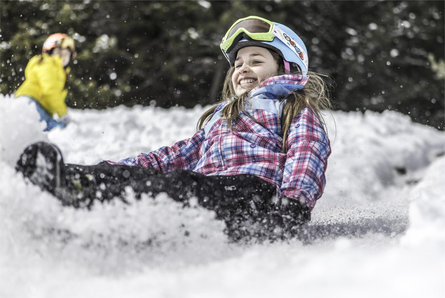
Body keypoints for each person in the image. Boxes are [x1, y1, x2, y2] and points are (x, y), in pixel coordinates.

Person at [16, 16, 332, 243]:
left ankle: (88, 204)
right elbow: (174, 156)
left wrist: (293, 204)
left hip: (257, 199)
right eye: (237, 64)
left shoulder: (290, 108)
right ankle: (70, 181)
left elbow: (307, 152)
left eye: (256, 60)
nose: (243, 68)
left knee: (179, 187)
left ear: (286, 67)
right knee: (154, 180)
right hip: (211, 193)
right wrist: (117, 168)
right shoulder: (221, 119)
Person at [15, 33, 76, 131]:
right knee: (57, 129)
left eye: (65, 54)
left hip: (36, 106)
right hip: (31, 103)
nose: (62, 57)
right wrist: (63, 114)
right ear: (49, 52)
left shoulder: (60, 71)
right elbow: (50, 92)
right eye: (58, 53)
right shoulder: (47, 64)